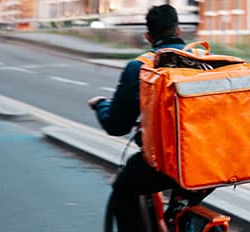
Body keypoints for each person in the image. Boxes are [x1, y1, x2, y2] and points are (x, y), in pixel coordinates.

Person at [87, 4, 188, 231]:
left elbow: (117, 125)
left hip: (168, 162)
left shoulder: (140, 68)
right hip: (214, 158)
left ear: (148, 37)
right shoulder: (205, 61)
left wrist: (101, 105)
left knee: (124, 189)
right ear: (179, 32)